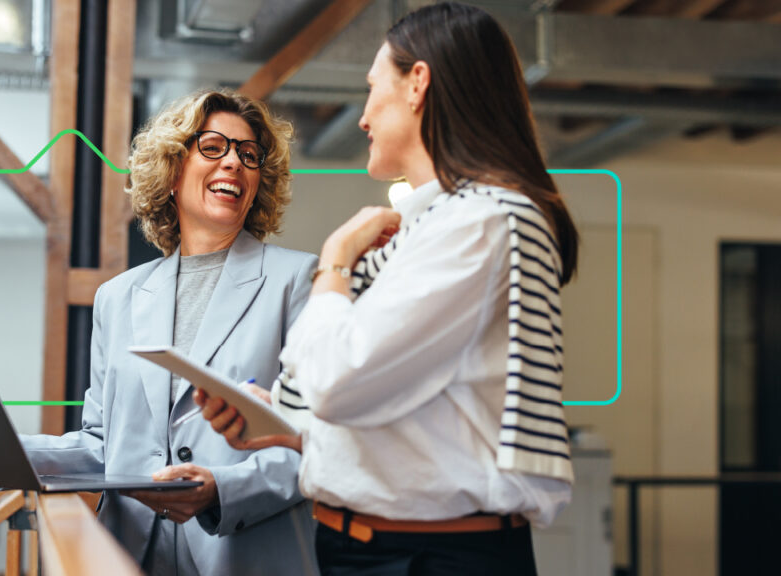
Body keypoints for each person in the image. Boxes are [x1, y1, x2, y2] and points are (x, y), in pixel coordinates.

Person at [197, 3, 580, 575]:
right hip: (378, 547)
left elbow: (338, 381)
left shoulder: (483, 222)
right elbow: (406, 413)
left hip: (428, 556)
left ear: (418, 83)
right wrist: (283, 422)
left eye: (373, 86)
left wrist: (335, 262)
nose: (362, 117)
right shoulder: (441, 224)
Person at [0, 89, 319, 575]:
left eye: (249, 154)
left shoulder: (298, 281)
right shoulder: (119, 297)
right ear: (173, 169)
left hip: (244, 558)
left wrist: (221, 489)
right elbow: (102, 446)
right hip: (130, 556)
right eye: (214, 147)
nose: (235, 163)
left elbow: (317, 442)